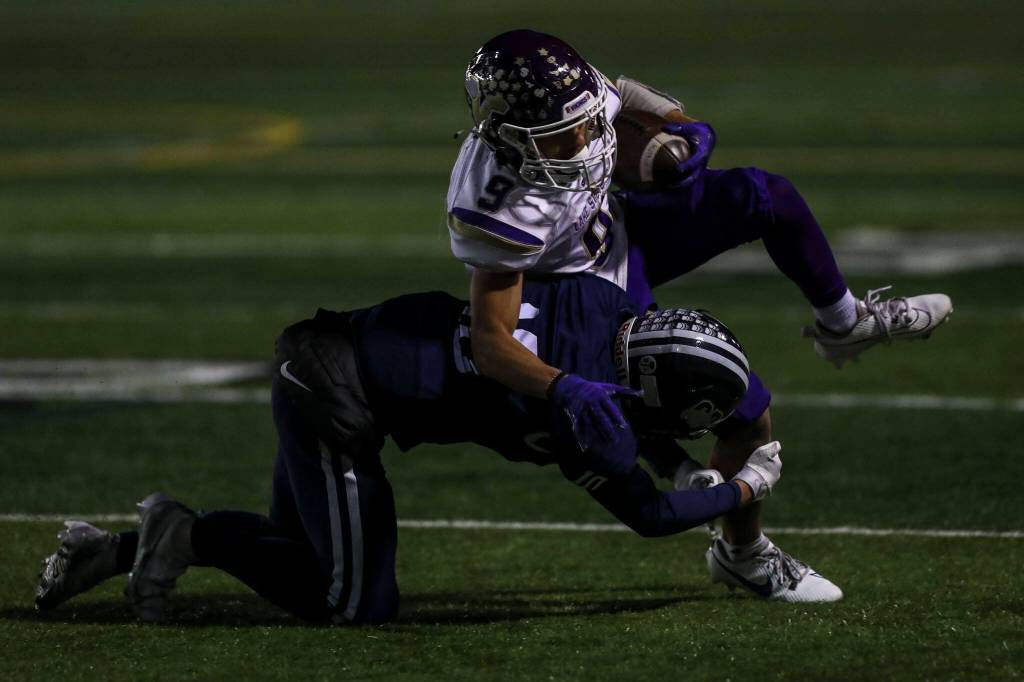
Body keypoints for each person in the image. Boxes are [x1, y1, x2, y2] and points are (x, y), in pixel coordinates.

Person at [34, 273, 839, 625]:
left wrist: (668, 451)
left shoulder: (600, 301)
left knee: (305, 556)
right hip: (335, 396)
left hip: (339, 352)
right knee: (349, 602)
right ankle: (182, 533)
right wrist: (742, 487)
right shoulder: (579, 413)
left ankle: (118, 551)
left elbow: (615, 395)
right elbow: (654, 516)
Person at [447, 27, 953, 437]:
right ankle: (743, 553)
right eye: (562, 137)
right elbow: (493, 340)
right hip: (582, 290)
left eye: (584, 125)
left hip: (620, 227)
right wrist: (564, 383)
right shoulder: (492, 205)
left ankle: (845, 325)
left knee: (765, 195)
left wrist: (683, 124)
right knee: (742, 406)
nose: (583, 143)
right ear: (505, 132)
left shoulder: (567, 96)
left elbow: (621, 94)